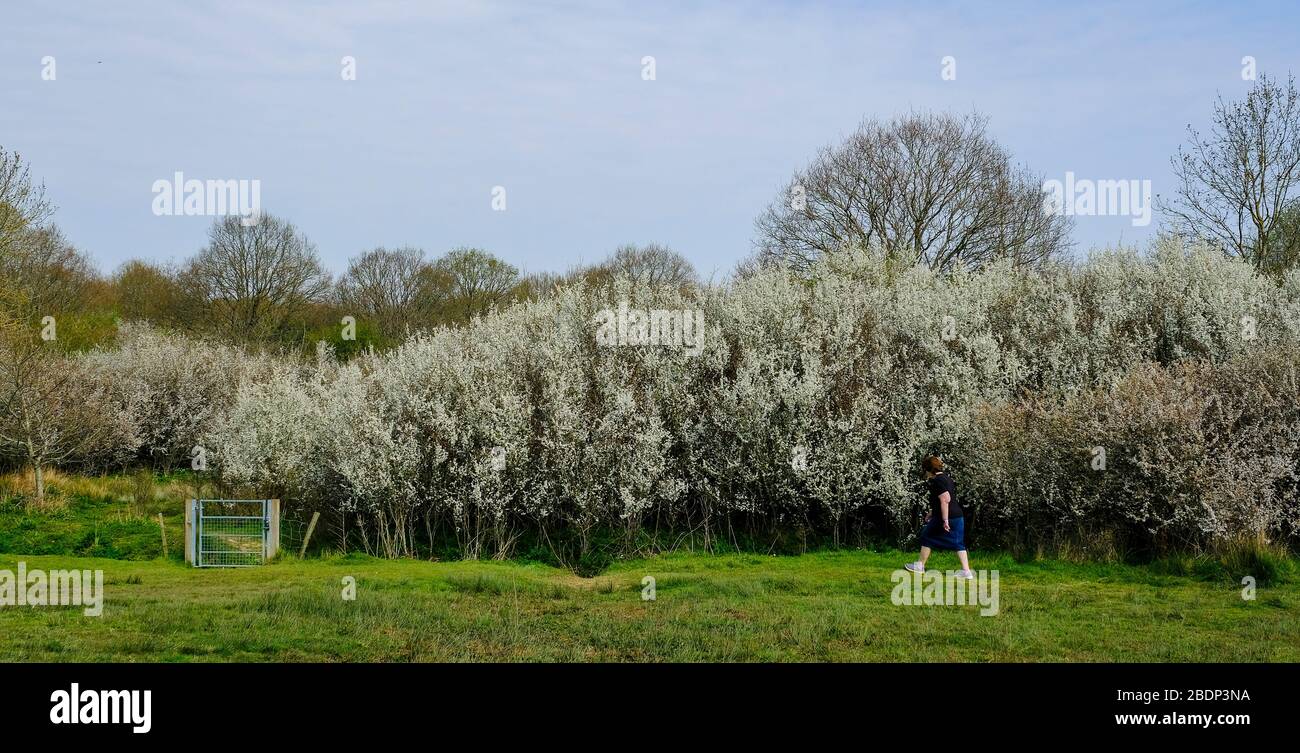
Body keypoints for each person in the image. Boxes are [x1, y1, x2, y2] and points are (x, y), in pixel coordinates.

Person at [904, 455, 973, 578]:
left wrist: (945, 520)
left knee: (927, 535)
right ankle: (966, 572)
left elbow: (945, 499)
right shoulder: (947, 478)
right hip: (957, 516)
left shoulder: (937, 481)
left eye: (925, 470)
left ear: (929, 469)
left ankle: (920, 566)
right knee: (958, 543)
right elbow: (944, 499)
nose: (925, 473)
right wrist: (931, 512)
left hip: (946, 516)